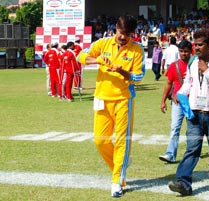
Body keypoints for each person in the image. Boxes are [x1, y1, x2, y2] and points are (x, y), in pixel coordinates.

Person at [77, 14, 145, 198]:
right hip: (101, 98)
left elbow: (139, 77)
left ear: (133, 34)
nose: (123, 37)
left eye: (127, 34)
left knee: (122, 141)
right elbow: (80, 56)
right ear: (116, 28)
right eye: (121, 32)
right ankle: (121, 165)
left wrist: (122, 71)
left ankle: (117, 181)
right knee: (100, 141)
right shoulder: (103, 43)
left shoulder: (137, 50)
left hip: (124, 100)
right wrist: (97, 60)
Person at [168, 29, 209, 196]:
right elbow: (189, 82)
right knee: (192, 148)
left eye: (200, 45)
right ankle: (183, 182)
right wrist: (180, 93)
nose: (196, 48)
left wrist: (208, 71)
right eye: (195, 44)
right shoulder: (193, 64)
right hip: (195, 113)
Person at [159, 39, 192, 163]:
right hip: (177, 102)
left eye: (186, 51)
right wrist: (163, 101)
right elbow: (168, 84)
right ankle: (170, 154)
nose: (183, 54)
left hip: (192, 102)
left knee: (192, 130)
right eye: (181, 51)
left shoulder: (195, 64)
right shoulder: (174, 66)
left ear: (190, 52)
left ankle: (193, 154)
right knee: (174, 128)